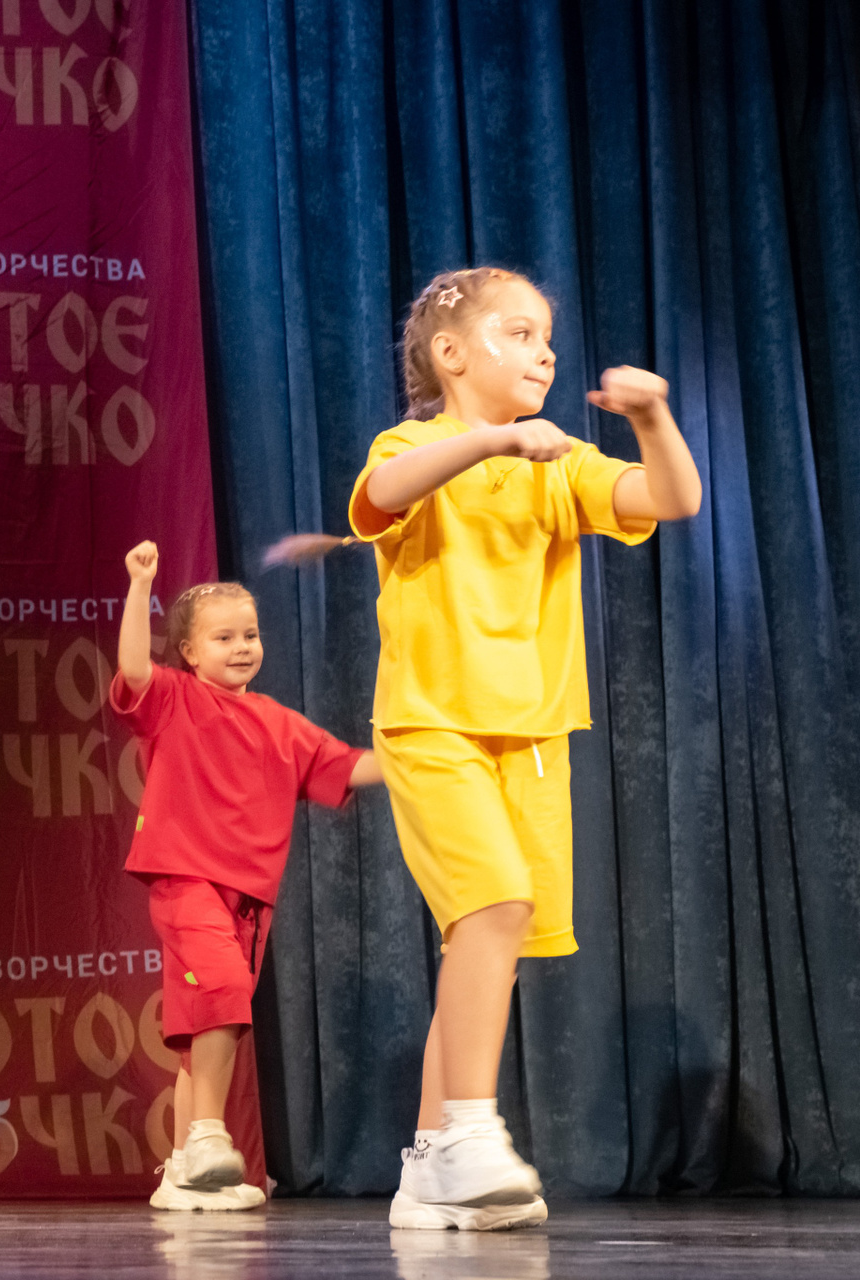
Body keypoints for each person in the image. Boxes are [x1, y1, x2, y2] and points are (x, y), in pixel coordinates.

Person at [351, 267, 702, 1231]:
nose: (543, 353)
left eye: (548, 337)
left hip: (535, 738)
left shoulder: (560, 462)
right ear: (450, 354)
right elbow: (381, 493)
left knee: (488, 948)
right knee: (495, 905)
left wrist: (651, 419)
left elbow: (670, 498)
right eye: (518, 333)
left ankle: (429, 1166)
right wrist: (493, 439)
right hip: (433, 723)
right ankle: (470, 1130)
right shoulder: (414, 444)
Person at [113, 542, 385, 1211]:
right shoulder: (174, 698)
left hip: (249, 902)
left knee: (208, 1028)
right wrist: (140, 585)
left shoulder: (278, 722)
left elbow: (352, 767)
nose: (242, 647)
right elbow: (132, 669)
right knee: (225, 991)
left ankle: (183, 1172)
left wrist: (430, 746)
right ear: (188, 652)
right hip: (185, 881)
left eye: (250, 635)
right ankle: (208, 1136)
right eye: (224, 637)